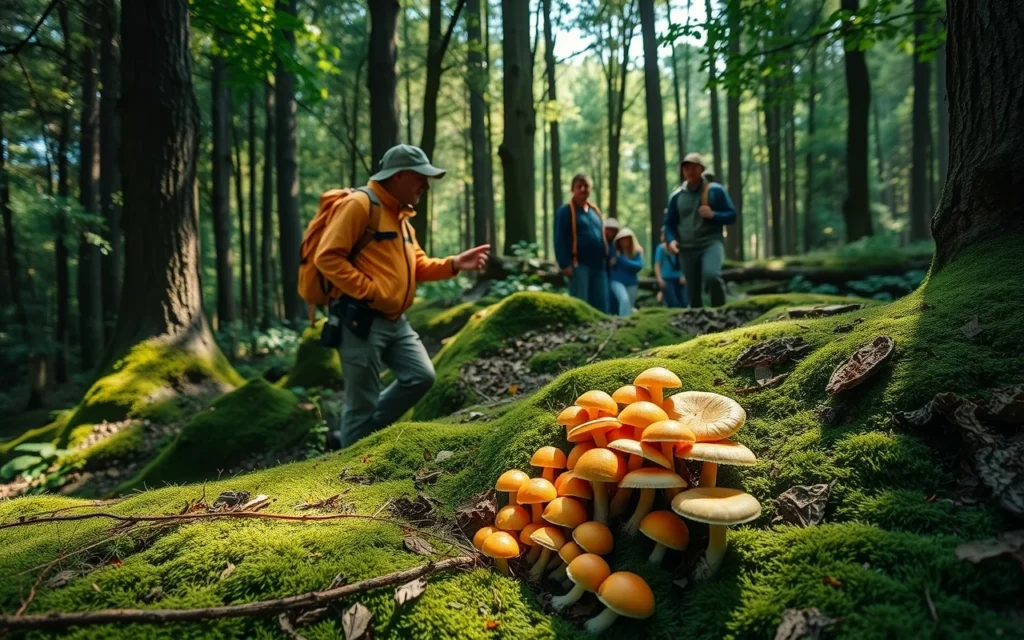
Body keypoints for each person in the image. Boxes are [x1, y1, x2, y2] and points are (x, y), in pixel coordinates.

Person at [314, 144, 490, 448]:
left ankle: (357, 437)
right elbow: (327, 257)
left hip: (397, 321)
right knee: (360, 405)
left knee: (421, 376)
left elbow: (417, 264)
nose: (425, 185)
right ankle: (347, 474)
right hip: (360, 321)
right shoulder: (359, 205)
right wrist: (370, 291)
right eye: (420, 177)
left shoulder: (400, 217)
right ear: (398, 176)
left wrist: (454, 264)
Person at [663, 152, 737, 308]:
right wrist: (671, 240)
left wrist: (714, 214)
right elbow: (669, 223)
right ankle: (697, 322)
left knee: (712, 275)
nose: (690, 171)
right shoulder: (676, 196)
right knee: (692, 291)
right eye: (686, 168)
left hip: (710, 243)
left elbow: (732, 215)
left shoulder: (715, 190)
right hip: (686, 248)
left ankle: (720, 311)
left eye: (694, 167)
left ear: (701, 169)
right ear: (682, 171)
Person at [554, 174, 610, 313]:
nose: (583, 189)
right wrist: (564, 264)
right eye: (579, 186)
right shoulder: (566, 211)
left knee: (601, 304)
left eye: (586, 186)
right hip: (579, 265)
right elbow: (559, 238)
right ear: (572, 189)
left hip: (598, 265)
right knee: (581, 304)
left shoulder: (594, 211)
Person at [609, 227, 644, 317]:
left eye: (627, 239)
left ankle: (628, 321)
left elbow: (638, 266)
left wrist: (621, 259)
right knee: (624, 299)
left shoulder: (636, 252)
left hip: (632, 282)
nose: (624, 241)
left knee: (629, 305)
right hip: (617, 281)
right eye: (622, 239)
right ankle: (623, 322)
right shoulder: (614, 250)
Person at [654, 230, 687, 308]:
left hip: (680, 278)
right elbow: (657, 265)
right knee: (672, 303)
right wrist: (659, 279)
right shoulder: (660, 249)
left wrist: (684, 275)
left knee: (684, 302)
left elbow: (685, 262)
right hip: (667, 279)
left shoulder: (680, 246)